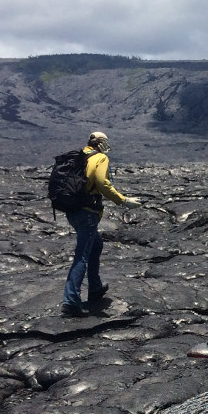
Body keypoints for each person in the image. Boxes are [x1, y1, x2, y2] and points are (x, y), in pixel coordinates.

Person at [61, 131, 141, 316]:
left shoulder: (79, 157)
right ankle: (71, 301)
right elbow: (103, 183)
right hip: (87, 213)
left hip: (72, 211)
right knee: (82, 256)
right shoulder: (100, 158)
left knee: (96, 245)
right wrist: (123, 200)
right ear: (102, 143)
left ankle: (95, 287)